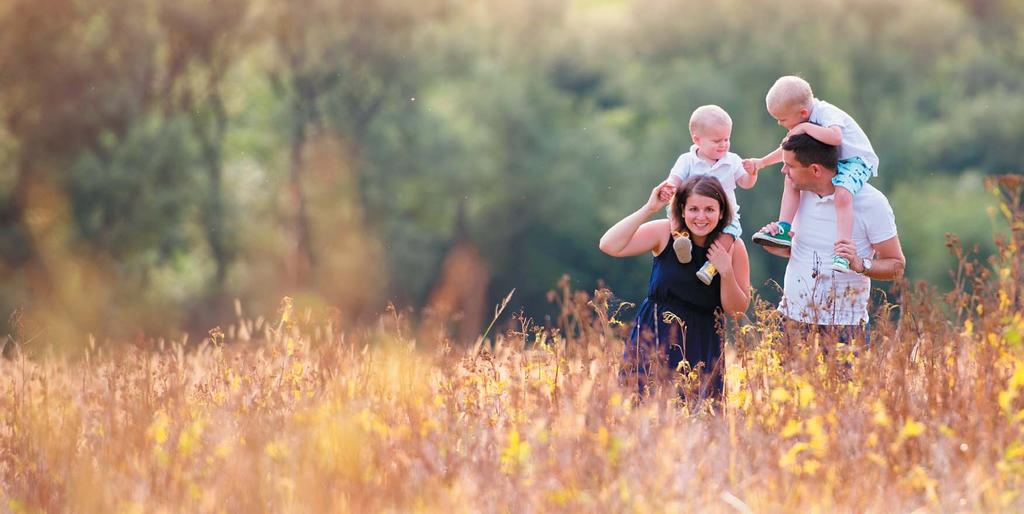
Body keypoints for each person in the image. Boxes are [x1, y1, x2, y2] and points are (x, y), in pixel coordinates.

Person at [600, 175, 751, 401]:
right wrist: (649, 208)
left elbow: (738, 311)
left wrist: (726, 271)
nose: (701, 217)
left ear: (721, 213)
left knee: (696, 419)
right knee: (641, 411)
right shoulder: (665, 233)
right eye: (693, 209)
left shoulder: (733, 247)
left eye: (709, 209)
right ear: (681, 210)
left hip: (702, 342)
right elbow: (609, 245)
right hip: (654, 335)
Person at [757, 134, 904, 342]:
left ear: (815, 170)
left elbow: (897, 266)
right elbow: (802, 252)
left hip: (846, 328)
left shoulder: (872, 203)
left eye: (789, 165)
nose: (784, 171)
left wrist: (860, 264)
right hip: (790, 321)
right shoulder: (798, 195)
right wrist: (777, 244)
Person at [744, 76, 879, 274]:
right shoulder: (804, 120)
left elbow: (836, 137)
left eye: (782, 119)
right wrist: (762, 162)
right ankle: (784, 228)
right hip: (832, 161)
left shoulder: (825, 113)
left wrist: (805, 128)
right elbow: (788, 150)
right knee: (791, 176)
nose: (780, 124)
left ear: (803, 112)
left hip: (856, 161)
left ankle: (842, 251)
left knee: (842, 194)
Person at [660, 105, 758, 285]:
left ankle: (711, 267)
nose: (723, 145)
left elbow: (746, 183)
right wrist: (670, 187)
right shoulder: (687, 160)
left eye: (727, 139)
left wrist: (752, 173)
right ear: (697, 140)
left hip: (725, 215)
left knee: (729, 234)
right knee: (673, 214)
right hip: (692, 211)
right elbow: (674, 179)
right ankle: (682, 242)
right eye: (716, 141)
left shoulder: (732, 160)